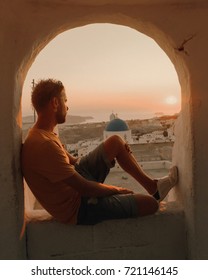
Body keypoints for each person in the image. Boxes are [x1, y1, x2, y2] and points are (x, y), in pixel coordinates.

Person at [21, 79, 178, 225]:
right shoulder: (44, 144)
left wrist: (115, 151)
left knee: (116, 141)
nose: (67, 107)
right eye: (65, 101)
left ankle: (153, 187)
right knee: (150, 205)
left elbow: (73, 162)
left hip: (77, 181)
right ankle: (147, 195)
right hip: (79, 206)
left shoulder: (43, 133)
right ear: (55, 103)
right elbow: (85, 188)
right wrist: (117, 190)